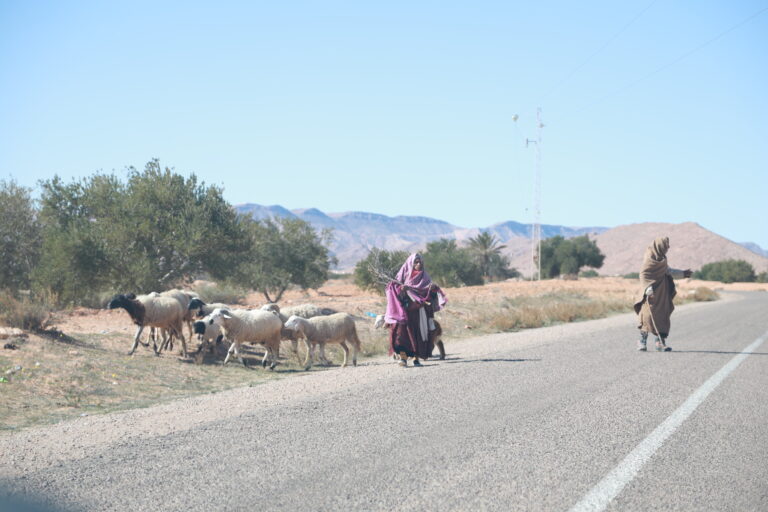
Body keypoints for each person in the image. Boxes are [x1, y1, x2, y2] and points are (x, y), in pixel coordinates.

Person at [384, 253, 447, 367]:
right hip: (403, 313)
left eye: (420, 262)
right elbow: (393, 291)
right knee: (401, 335)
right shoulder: (402, 277)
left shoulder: (425, 278)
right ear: (410, 264)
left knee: (417, 336)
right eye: (416, 262)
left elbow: (429, 297)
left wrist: (433, 290)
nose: (419, 264)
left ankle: (415, 358)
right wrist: (402, 289)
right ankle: (403, 358)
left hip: (419, 313)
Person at [633, 237, 692, 351]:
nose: (668, 247)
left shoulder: (662, 259)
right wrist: (647, 288)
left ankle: (660, 342)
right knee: (647, 316)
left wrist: (683, 274)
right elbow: (643, 274)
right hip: (649, 293)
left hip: (661, 293)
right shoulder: (649, 259)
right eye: (666, 245)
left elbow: (668, 271)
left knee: (662, 315)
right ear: (659, 246)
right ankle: (642, 341)